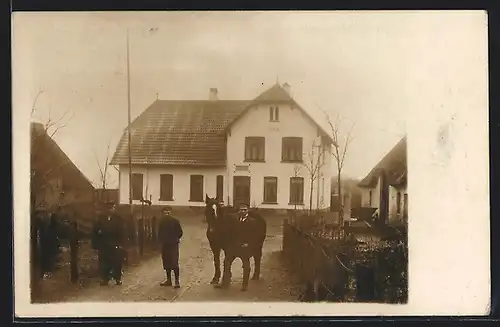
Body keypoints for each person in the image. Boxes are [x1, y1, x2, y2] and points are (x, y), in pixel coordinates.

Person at [91, 202, 125, 286]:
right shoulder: (100, 219)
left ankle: (118, 278)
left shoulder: (118, 219)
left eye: (112, 208)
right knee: (104, 262)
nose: (110, 210)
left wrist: (121, 244)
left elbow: (122, 232)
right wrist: (96, 244)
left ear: (114, 209)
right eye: (109, 208)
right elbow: (95, 231)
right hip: (104, 244)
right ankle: (105, 279)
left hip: (115, 244)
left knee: (117, 262)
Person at [158, 206, 183, 288]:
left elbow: (180, 232)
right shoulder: (162, 222)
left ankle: (176, 281)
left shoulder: (175, 221)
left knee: (174, 262)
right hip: (167, 244)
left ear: (170, 212)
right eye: (165, 212)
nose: (166, 214)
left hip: (172, 244)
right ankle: (169, 280)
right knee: (167, 262)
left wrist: (174, 239)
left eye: (168, 212)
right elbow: (159, 232)